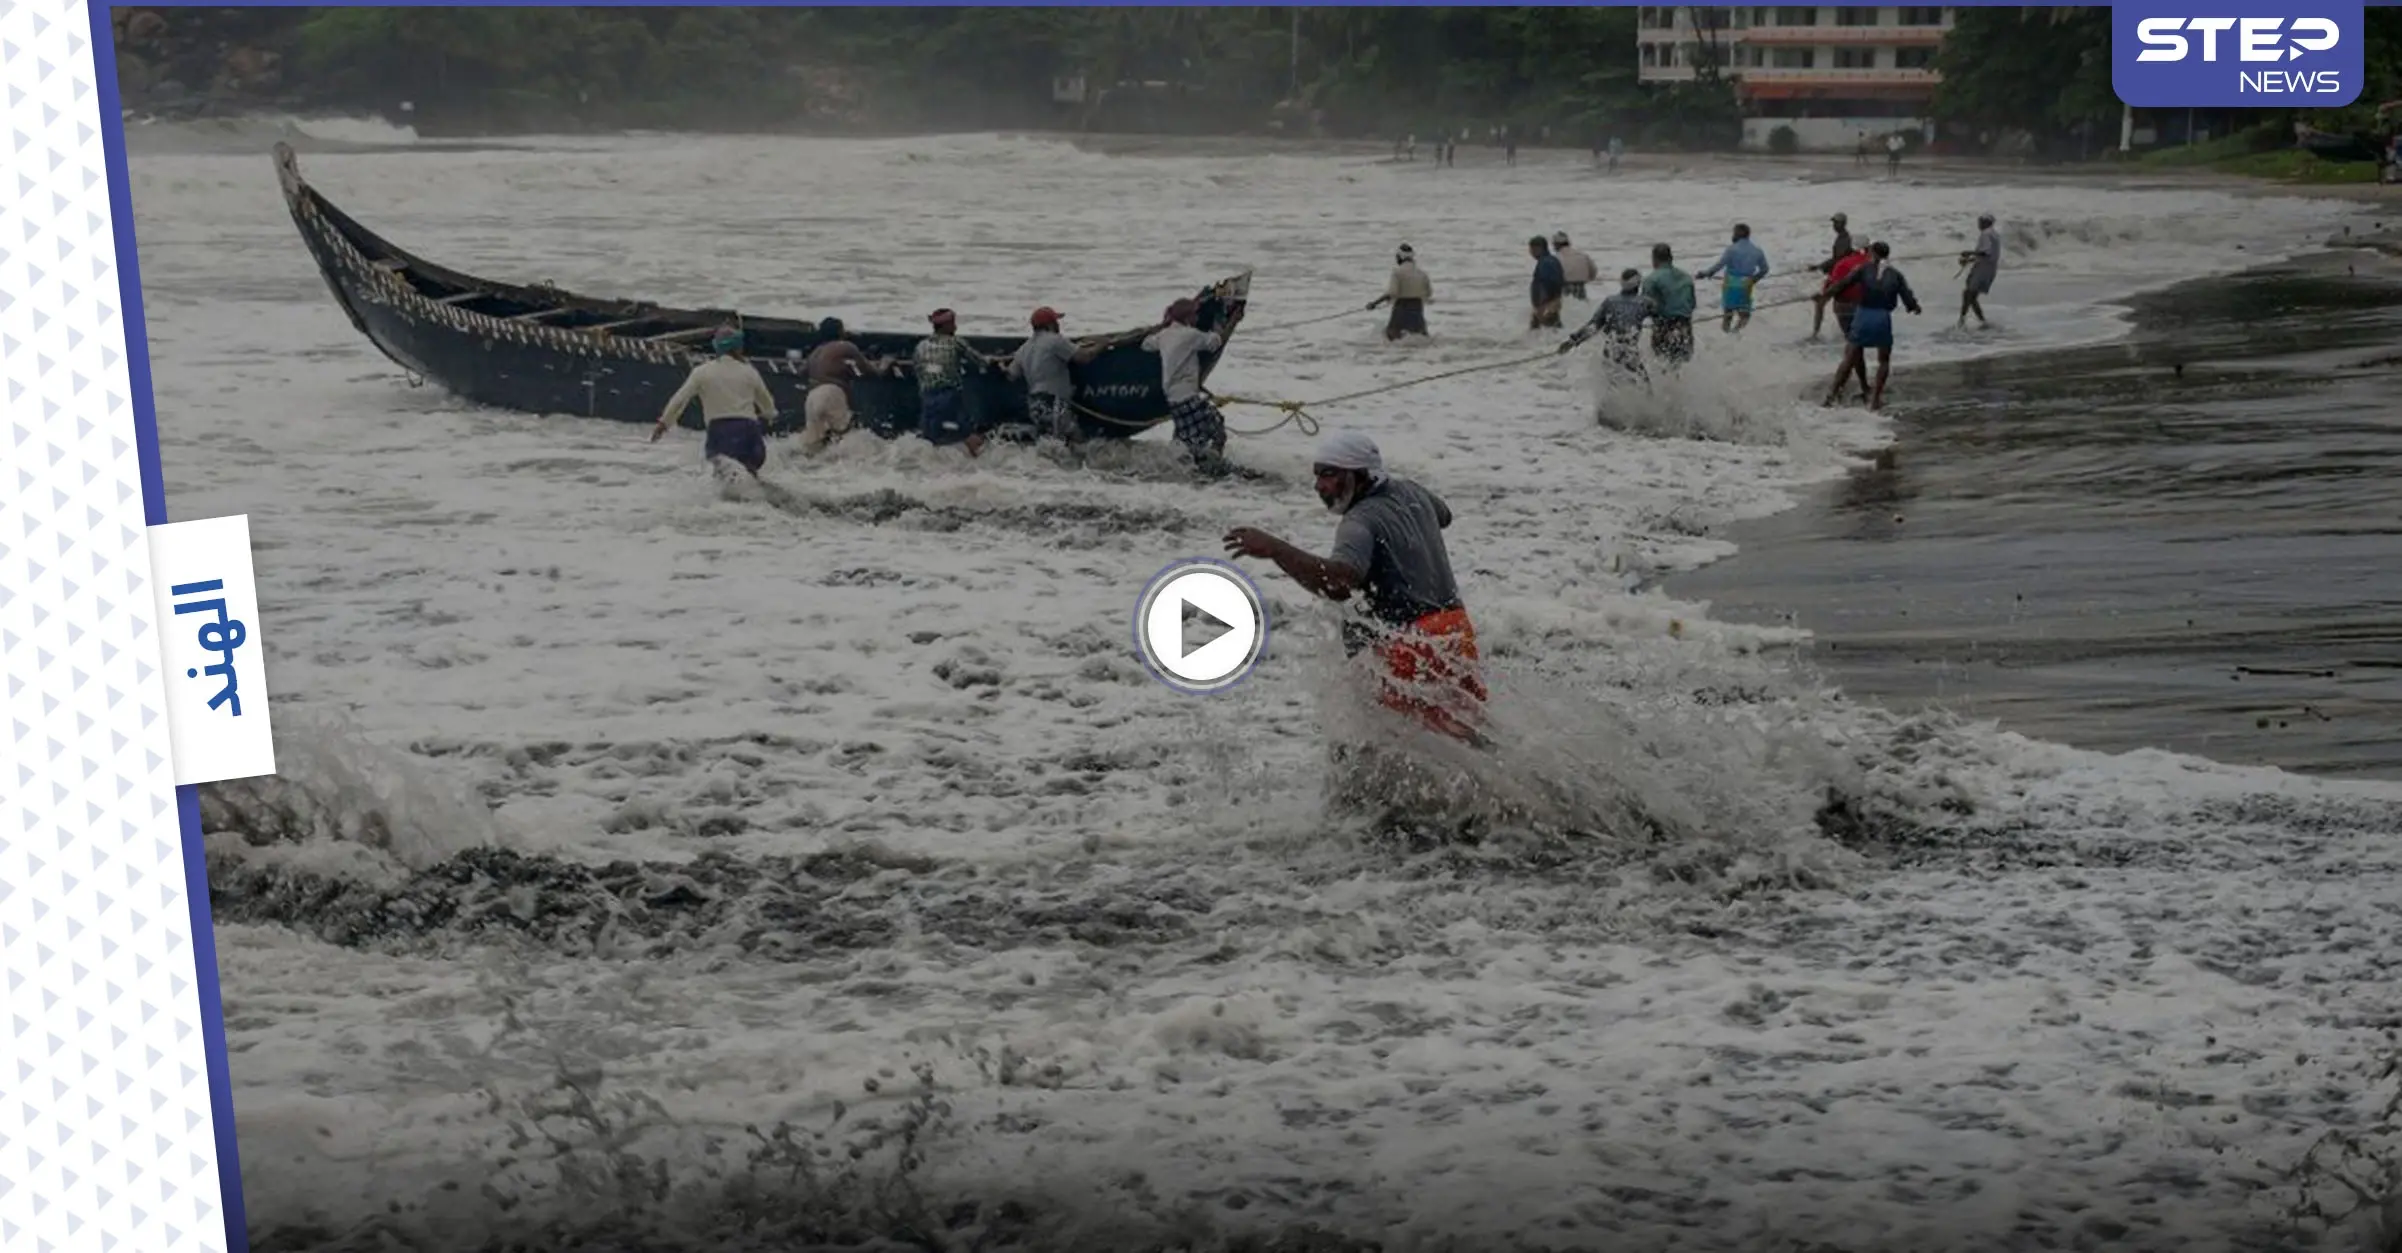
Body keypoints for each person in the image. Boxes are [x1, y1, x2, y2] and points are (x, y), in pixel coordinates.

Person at [1222, 430, 1486, 746]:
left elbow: (1338, 583)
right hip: (1456, 632)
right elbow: (1444, 515)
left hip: (1410, 647)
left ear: (1361, 476)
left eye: (1330, 475)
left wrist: (1276, 549)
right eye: (1318, 475)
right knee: (1466, 739)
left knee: (1386, 748)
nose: (1319, 485)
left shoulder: (1359, 522)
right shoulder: (1413, 491)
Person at [651, 324, 778, 476]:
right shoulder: (749, 372)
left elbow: (679, 400)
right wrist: (770, 416)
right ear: (739, 348)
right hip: (750, 432)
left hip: (721, 432)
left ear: (716, 347)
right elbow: (767, 403)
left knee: (723, 474)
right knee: (750, 472)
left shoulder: (702, 372)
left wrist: (664, 423)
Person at [1142, 297, 1239, 476]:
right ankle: (1212, 466)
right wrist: (1233, 321)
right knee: (1216, 426)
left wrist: (1162, 327)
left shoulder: (1164, 335)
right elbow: (1215, 342)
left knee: (1187, 438)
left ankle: (1188, 466)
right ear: (1188, 318)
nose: (1197, 318)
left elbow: (1146, 344)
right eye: (1195, 314)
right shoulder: (1190, 335)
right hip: (1186, 397)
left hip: (1173, 399)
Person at [1821, 241, 1921, 411]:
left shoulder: (1863, 269)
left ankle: (1832, 396)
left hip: (1863, 315)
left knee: (1850, 356)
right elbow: (1908, 298)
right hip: (1882, 317)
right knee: (1883, 360)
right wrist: (1915, 307)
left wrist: (1824, 295)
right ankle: (1874, 400)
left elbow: (1842, 284)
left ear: (1872, 253)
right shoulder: (1896, 275)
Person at [796, 317, 895, 455]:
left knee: (814, 445)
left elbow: (801, 371)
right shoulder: (846, 346)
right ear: (839, 332)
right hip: (831, 393)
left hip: (812, 397)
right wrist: (885, 363)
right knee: (846, 436)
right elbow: (871, 371)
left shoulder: (816, 351)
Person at [1003, 306, 1099, 444]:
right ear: (1050, 324)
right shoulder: (1055, 340)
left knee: (1051, 442)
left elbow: (1011, 375)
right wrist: (1102, 345)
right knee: (1075, 440)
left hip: (1034, 404)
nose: (1058, 325)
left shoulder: (1023, 349)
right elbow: (1083, 357)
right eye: (1056, 321)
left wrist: (1000, 366)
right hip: (1052, 401)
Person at [910, 308, 994, 453]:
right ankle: (983, 467)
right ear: (945, 326)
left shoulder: (921, 346)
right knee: (969, 435)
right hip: (948, 395)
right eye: (953, 324)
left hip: (927, 397)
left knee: (931, 439)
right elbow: (981, 361)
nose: (955, 327)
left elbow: (917, 370)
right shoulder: (955, 342)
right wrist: (992, 360)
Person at [1558, 267, 1653, 386]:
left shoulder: (1610, 301)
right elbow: (1662, 318)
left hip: (1611, 350)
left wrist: (1573, 341)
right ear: (1638, 284)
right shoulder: (1645, 302)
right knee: (1644, 385)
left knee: (1612, 385)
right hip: (1629, 350)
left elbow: (1593, 326)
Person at [1696, 223, 1770, 333]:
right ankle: (1736, 333)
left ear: (1737, 234)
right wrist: (1754, 280)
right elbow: (1765, 269)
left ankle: (1726, 336)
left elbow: (1718, 266)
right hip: (1746, 285)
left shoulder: (1731, 249)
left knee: (1728, 315)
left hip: (1730, 284)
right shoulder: (1757, 251)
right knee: (1744, 315)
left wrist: (1705, 274)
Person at [1639, 244, 1697, 367]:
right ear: (1671, 258)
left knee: (1662, 365)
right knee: (1683, 366)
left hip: (1663, 327)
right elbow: (1692, 304)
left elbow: (1645, 307)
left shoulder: (1651, 280)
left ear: (1654, 259)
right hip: (1685, 327)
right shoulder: (1686, 277)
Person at [1817, 241, 1874, 363]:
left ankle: (1847, 369)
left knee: (1852, 342)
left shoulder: (1842, 264)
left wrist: (1822, 296)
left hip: (1845, 307)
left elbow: (1834, 286)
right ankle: (1856, 370)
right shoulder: (1873, 262)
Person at [1367, 243, 1434, 340]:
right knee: (1420, 339)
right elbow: (1429, 294)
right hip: (1417, 309)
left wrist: (1374, 304)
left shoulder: (1397, 272)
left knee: (1390, 338)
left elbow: (1392, 293)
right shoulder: (1422, 274)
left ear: (1400, 257)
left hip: (1401, 309)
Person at [1809, 212, 1855, 339]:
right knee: (1822, 302)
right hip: (1837, 274)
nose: (1834, 225)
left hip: (1838, 276)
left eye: (1836, 222)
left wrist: (1820, 266)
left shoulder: (1844, 239)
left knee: (1820, 302)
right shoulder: (1842, 238)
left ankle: (1816, 333)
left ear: (1843, 223)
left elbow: (1838, 259)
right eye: (1834, 222)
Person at [1958, 212, 2002, 329]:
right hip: (1990, 269)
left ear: (1986, 222)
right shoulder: (1995, 235)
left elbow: (1985, 252)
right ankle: (1980, 321)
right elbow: (1988, 255)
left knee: (1968, 294)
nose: (1979, 224)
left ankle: (1962, 321)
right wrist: (1970, 260)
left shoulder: (1986, 234)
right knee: (1970, 296)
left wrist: (1969, 253)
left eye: (1981, 221)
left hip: (1982, 270)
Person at [1526, 235, 1566, 331]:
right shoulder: (1552, 260)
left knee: (1541, 332)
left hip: (1546, 305)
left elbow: (1547, 284)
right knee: (1553, 331)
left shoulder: (1545, 263)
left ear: (1538, 248)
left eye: (1531, 249)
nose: (1530, 252)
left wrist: (1543, 305)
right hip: (1552, 303)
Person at [1553, 231, 1598, 302]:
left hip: (1564, 287)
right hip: (1580, 287)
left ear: (1556, 245)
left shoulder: (1556, 258)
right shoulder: (1583, 255)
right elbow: (1593, 272)